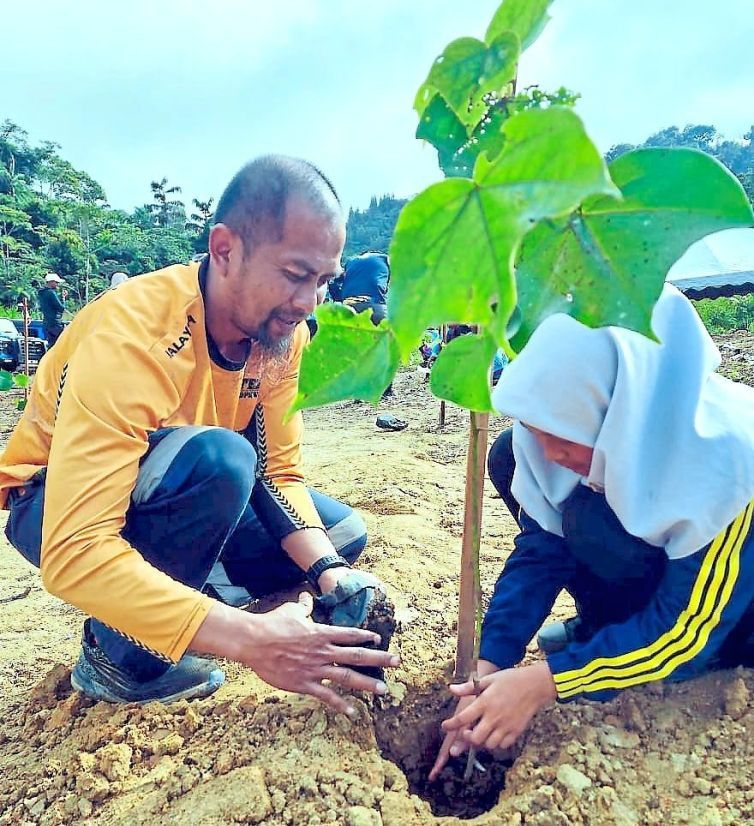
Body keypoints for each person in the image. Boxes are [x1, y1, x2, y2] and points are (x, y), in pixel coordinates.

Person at [0, 155, 398, 708]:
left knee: (340, 536)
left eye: (322, 281)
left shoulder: (281, 336)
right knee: (222, 459)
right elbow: (75, 550)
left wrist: (330, 572)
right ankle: (117, 657)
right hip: (54, 501)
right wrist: (252, 640)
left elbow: (279, 472)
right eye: (294, 274)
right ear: (225, 250)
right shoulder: (135, 333)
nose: (308, 302)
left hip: (178, 491)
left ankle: (187, 596)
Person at [431, 284, 754, 778]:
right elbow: (541, 552)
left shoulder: (726, 464)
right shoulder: (564, 446)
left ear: (620, 412)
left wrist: (548, 683)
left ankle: (621, 653)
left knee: (701, 647)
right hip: (672, 585)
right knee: (513, 462)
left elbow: (688, 632)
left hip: (734, 619)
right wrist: (491, 663)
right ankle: (609, 633)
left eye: (565, 437)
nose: (551, 454)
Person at [37, 272, 68, 348]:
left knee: (51, 346)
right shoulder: (51, 293)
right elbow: (61, 308)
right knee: (60, 346)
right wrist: (63, 298)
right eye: (56, 282)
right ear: (51, 282)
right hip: (55, 324)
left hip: (46, 324)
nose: (57, 284)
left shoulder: (41, 293)